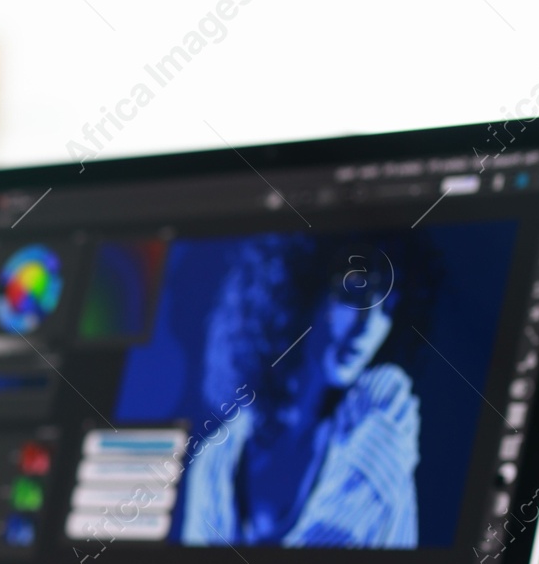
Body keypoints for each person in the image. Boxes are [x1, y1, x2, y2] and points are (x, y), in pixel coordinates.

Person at [182, 234, 427, 548]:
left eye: (387, 308)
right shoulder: (216, 459)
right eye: (353, 294)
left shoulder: (382, 409)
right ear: (298, 291)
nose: (369, 327)